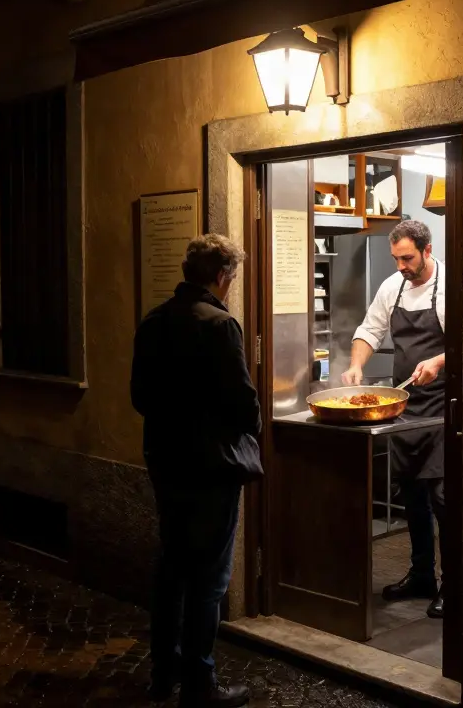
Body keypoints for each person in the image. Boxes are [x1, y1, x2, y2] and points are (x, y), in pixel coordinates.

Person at [131, 234, 262, 708]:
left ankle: (162, 675)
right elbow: (242, 400)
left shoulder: (153, 321)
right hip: (211, 468)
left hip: (166, 462)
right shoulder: (220, 325)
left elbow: (140, 398)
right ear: (222, 276)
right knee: (208, 580)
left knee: (171, 570)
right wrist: (253, 427)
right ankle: (200, 685)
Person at [341, 220, 447, 619]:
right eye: (397, 258)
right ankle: (422, 575)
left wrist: (437, 361)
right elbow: (369, 330)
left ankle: (454, 583)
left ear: (427, 249)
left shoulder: (447, 286)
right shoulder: (392, 286)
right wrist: (355, 367)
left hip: (440, 406)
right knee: (412, 497)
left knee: (442, 499)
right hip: (405, 406)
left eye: (408, 258)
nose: (402, 265)